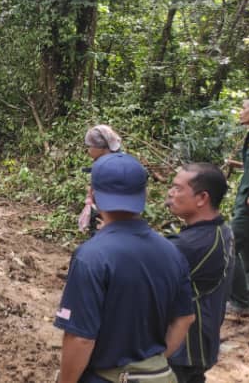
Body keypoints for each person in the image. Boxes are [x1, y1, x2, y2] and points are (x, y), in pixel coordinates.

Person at [54, 153, 195, 383]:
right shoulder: (172, 252)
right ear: (144, 195)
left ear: (93, 195)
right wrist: (149, 365)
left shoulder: (91, 256)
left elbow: (80, 339)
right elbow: (185, 319)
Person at [163, 163, 236, 383]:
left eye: (177, 188)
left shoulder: (191, 245)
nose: (170, 193)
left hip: (183, 349)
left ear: (202, 198)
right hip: (199, 346)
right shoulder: (221, 230)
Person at [228, 98, 249, 314]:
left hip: (248, 204)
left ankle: (239, 301)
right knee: (248, 249)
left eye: (244, 108)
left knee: (230, 245)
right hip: (244, 199)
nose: (241, 112)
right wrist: (237, 165)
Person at [78, 125, 122, 235]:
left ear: (100, 147)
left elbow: (117, 198)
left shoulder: (112, 167)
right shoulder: (103, 161)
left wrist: (110, 222)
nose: (88, 150)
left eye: (89, 146)